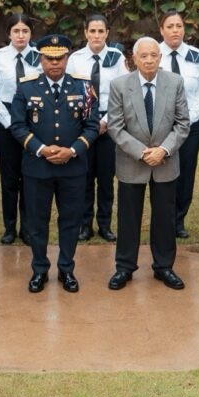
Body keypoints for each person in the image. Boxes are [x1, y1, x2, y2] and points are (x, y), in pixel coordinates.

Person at [9, 33, 100, 293]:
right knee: (37, 222)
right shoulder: (27, 87)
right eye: (49, 59)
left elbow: (92, 125)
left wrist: (72, 150)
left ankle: (66, 269)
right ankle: (39, 269)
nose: (55, 64)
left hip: (72, 167)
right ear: (40, 59)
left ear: (67, 58)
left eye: (60, 58)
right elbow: (17, 125)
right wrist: (40, 149)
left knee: (70, 220)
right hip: (38, 167)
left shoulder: (83, 86)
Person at [106, 36, 190, 291]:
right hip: (133, 162)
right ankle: (124, 267)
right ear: (134, 58)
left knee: (165, 217)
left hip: (165, 162)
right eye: (144, 55)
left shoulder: (174, 82)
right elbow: (115, 126)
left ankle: (164, 266)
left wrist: (163, 150)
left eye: (154, 55)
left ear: (160, 57)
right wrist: (143, 152)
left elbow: (183, 123)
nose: (150, 59)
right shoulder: (120, 85)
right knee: (128, 217)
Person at [68, 14, 127, 242]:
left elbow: (123, 93)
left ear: (107, 33)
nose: (96, 36)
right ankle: (85, 225)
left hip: (108, 126)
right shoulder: (75, 59)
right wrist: (89, 123)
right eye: (92, 31)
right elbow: (72, 93)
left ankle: (104, 224)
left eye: (101, 31)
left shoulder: (117, 57)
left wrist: (105, 121)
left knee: (105, 178)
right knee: (84, 177)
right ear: (85, 33)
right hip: (83, 126)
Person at [158, 12, 199, 240]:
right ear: (161, 30)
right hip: (161, 126)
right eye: (169, 26)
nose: (175, 30)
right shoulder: (153, 54)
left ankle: (179, 220)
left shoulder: (196, 56)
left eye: (179, 25)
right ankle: (164, 220)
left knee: (186, 172)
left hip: (191, 124)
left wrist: (188, 118)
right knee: (163, 173)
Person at [0, 13, 41, 246]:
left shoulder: (40, 57)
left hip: (34, 119)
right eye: (16, 31)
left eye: (25, 31)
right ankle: (10, 227)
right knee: (9, 178)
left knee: (30, 177)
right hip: (7, 120)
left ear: (31, 33)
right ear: (8, 33)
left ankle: (28, 228)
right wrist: (9, 123)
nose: (21, 36)